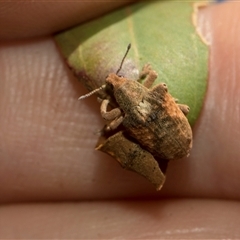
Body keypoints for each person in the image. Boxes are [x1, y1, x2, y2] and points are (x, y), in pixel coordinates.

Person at [0, 1, 240, 238]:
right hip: (179, 135)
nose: (116, 80)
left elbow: (107, 115)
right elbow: (151, 77)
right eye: (116, 85)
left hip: (176, 138)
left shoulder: (128, 119)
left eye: (120, 82)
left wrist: (104, 98)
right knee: (178, 102)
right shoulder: (151, 95)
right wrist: (139, 78)